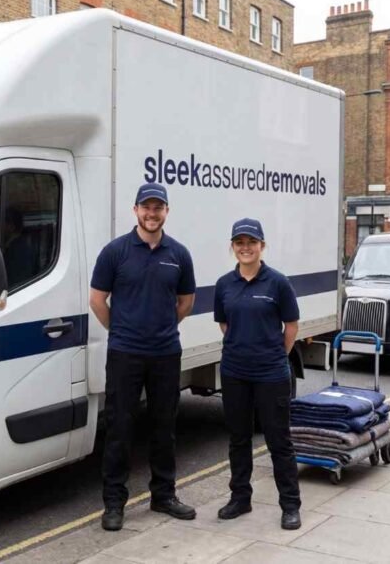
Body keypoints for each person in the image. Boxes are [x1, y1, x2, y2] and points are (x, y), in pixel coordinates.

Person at [89, 182, 197, 532]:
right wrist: (121, 330)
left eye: (158, 207)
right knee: (120, 428)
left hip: (166, 353)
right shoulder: (115, 252)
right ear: (135, 210)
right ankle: (114, 503)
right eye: (146, 207)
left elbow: (185, 302)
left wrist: (161, 327)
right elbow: (97, 300)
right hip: (124, 354)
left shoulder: (178, 254)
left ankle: (163, 495)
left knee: (164, 427)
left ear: (166, 211)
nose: (152, 213)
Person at [213, 217, 302, 530]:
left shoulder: (277, 283)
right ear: (233, 247)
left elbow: (291, 326)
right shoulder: (224, 284)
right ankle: (240, 498)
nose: (246, 247)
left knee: (279, 440)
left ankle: (290, 505)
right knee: (238, 439)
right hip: (235, 371)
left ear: (262, 246)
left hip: (271, 374)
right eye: (240, 242)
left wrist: (276, 354)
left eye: (252, 242)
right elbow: (225, 323)